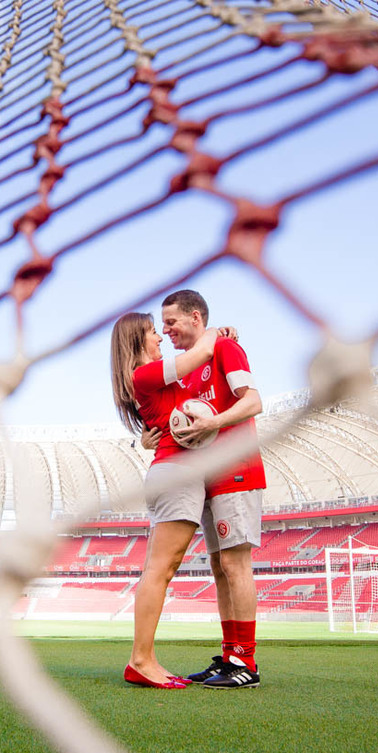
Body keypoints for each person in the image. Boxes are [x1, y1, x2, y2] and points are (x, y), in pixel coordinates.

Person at [110, 311, 231, 689]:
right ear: (136, 341)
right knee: (160, 570)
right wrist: (216, 332)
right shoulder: (145, 373)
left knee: (161, 568)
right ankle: (141, 661)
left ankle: (145, 659)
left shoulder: (152, 377)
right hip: (176, 473)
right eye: (152, 332)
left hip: (176, 473)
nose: (160, 337)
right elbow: (201, 353)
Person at [158, 289, 265, 689]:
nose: (166, 330)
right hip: (208, 477)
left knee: (235, 565)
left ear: (196, 317)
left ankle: (247, 663)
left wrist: (214, 422)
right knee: (220, 570)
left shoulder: (224, 349)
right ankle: (230, 655)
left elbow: (253, 401)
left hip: (238, 470)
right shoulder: (188, 368)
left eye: (171, 321)